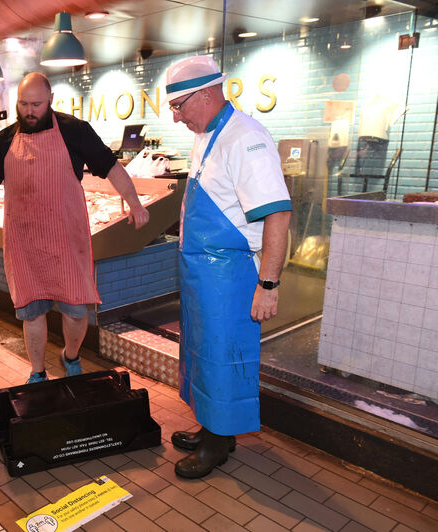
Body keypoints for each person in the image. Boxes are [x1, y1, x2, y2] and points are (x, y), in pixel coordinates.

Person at [0, 72, 150, 384]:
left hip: (67, 238)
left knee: (76, 312)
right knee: (32, 311)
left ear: (50, 100)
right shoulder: (6, 137)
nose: (29, 111)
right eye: (23, 104)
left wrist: (134, 202)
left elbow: (111, 166)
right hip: (23, 241)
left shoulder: (74, 131)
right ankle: (37, 371)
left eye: (36, 104)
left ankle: (70, 355)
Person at [163, 56, 291, 479]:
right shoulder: (207, 134)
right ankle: (211, 427)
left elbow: (277, 215)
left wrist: (268, 283)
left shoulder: (246, 138)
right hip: (203, 275)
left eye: (179, 106)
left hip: (231, 276)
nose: (176, 117)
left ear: (206, 93)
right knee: (202, 354)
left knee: (224, 358)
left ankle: (219, 442)